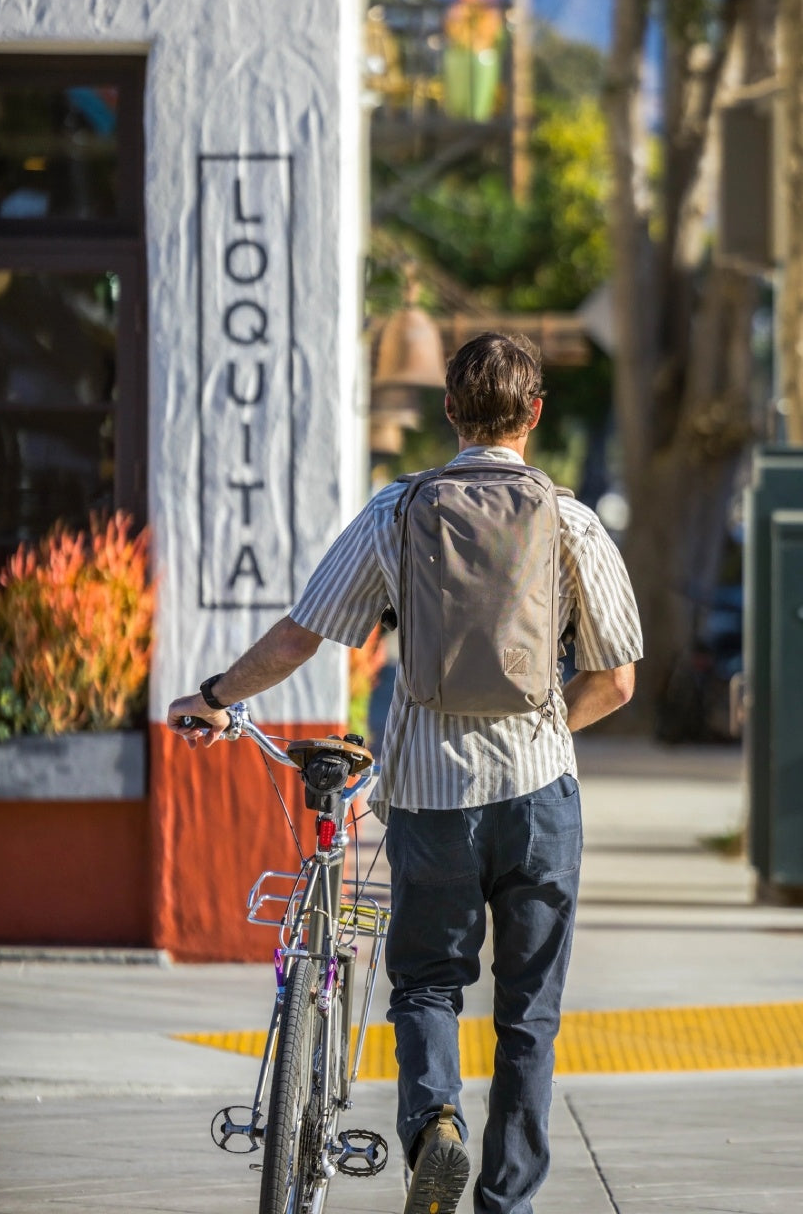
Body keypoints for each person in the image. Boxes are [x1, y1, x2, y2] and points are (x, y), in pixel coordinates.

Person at [167, 331, 642, 1214]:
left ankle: (435, 1130)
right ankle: (510, 1203)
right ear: (534, 415)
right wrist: (545, 729)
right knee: (527, 1016)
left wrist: (216, 694)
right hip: (540, 796)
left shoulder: (398, 511)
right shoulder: (571, 521)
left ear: (451, 412)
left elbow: (301, 633)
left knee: (427, 982)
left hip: (430, 794)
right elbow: (616, 680)